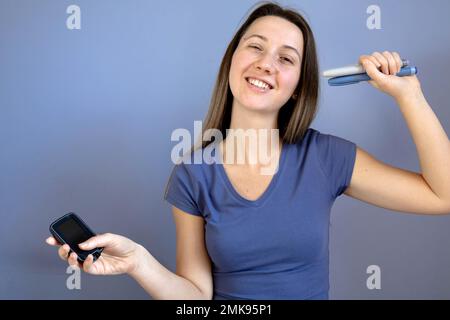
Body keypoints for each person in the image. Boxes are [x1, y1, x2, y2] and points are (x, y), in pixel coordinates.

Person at [46, 2, 450, 300]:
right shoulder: (193, 175)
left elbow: (443, 195)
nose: (266, 64)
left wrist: (408, 95)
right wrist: (137, 261)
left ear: (297, 87)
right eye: (255, 47)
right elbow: (197, 300)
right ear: (232, 61)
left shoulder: (326, 157)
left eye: (286, 58)